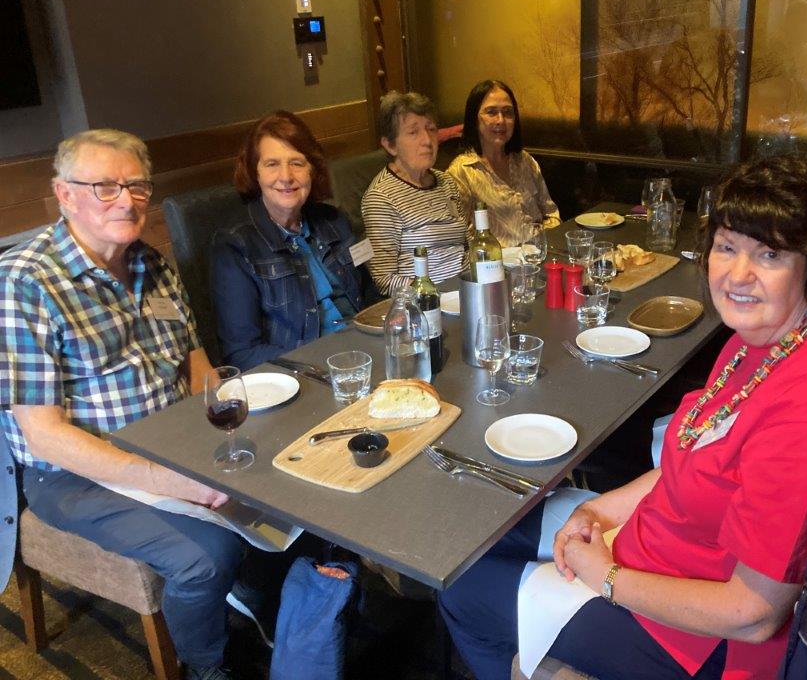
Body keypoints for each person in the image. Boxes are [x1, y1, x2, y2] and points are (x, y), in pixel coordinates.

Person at [439, 156, 807, 680]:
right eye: (726, 247)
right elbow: (698, 458)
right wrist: (601, 513)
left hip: (695, 639)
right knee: (481, 535)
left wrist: (604, 576)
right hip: (654, 545)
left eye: (769, 255)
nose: (738, 275)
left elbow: (752, 615)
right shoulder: (764, 340)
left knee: (463, 591)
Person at [0, 130, 241, 680]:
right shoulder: (24, 282)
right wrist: (172, 480)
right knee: (206, 560)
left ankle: (268, 609)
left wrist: (224, 421)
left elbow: (194, 359)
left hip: (170, 435)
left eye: (136, 186)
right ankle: (207, 667)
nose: (126, 200)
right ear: (64, 194)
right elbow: (44, 436)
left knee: (284, 492)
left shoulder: (150, 262)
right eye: (104, 186)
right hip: (71, 473)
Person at [210, 110, 378, 371]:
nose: (286, 176)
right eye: (272, 164)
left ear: (312, 169)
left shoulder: (334, 221)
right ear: (255, 173)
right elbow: (242, 354)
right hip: (307, 375)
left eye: (297, 163)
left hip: (365, 355)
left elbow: (370, 298)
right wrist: (321, 361)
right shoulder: (235, 246)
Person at [361, 91, 469, 296]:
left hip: (467, 291)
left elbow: (466, 244)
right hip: (427, 305)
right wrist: (432, 295)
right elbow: (384, 279)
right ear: (390, 145)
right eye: (413, 132)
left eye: (431, 129)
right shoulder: (381, 197)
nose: (427, 140)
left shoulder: (446, 182)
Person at [447, 80, 560, 246]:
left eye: (508, 112)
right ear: (474, 119)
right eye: (491, 112)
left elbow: (551, 214)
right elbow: (460, 239)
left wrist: (546, 246)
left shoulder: (525, 161)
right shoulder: (461, 172)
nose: (501, 120)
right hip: (497, 267)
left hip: (541, 257)